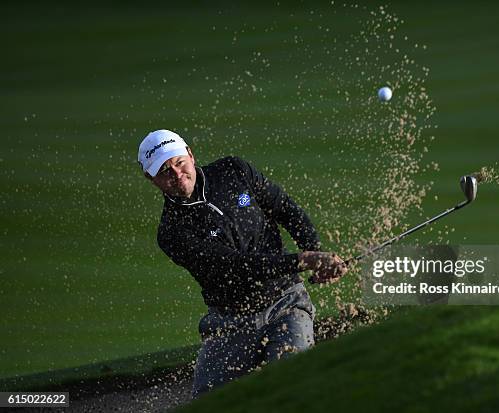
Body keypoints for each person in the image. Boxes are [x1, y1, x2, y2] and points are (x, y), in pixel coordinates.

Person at [137, 129, 348, 397]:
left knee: (295, 384)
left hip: (286, 303)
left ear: (190, 154)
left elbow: (284, 208)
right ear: (151, 179)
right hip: (230, 322)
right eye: (165, 172)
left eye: (179, 163)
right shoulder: (172, 233)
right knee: (208, 403)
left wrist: (315, 252)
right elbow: (237, 266)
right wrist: (305, 260)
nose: (178, 175)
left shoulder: (233, 170)